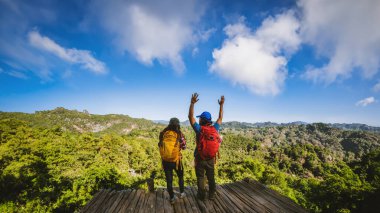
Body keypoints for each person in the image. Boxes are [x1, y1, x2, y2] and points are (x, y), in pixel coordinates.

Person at [188, 93, 224, 201]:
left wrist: (192, 103)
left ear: (202, 120)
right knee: (211, 176)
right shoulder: (215, 129)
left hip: (199, 158)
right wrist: (221, 105)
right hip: (211, 159)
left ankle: (201, 195)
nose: (198, 120)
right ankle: (212, 194)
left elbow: (190, 117)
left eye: (200, 119)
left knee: (200, 177)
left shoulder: (199, 130)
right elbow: (220, 117)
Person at [158, 117, 187, 204]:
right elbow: (184, 147)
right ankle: (182, 193)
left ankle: (172, 198)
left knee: (169, 180)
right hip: (176, 161)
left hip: (166, 161)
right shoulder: (179, 134)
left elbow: (160, 145)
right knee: (180, 177)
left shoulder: (163, 133)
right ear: (178, 124)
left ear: (169, 124)